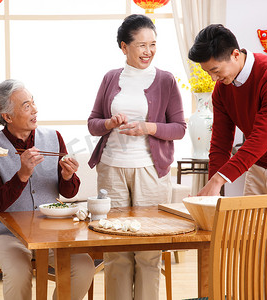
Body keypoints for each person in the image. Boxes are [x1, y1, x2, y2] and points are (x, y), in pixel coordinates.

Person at [188, 24, 267, 299]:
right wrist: (212, 186)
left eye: (215, 71)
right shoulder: (223, 89)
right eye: (208, 73)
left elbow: (261, 137)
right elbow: (220, 142)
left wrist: (222, 178)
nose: (213, 78)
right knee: (252, 254)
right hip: (258, 168)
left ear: (235, 55)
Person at [87, 14, 186, 300]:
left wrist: (146, 127)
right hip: (111, 169)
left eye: (153, 44)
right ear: (124, 46)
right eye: (141, 45)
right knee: (115, 251)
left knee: (149, 251)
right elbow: (93, 122)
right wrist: (108, 123)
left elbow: (179, 128)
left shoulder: (165, 80)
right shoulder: (110, 78)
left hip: (150, 173)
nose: (148, 51)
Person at [0, 79, 95, 300]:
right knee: (19, 272)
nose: (35, 110)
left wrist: (68, 176)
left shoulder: (53, 137)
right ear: (7, 117)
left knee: (83, 265)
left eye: (33, 103)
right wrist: (22, 174)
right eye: (26, 106)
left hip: (49, 231)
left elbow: (68, 193)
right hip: (5, 235)